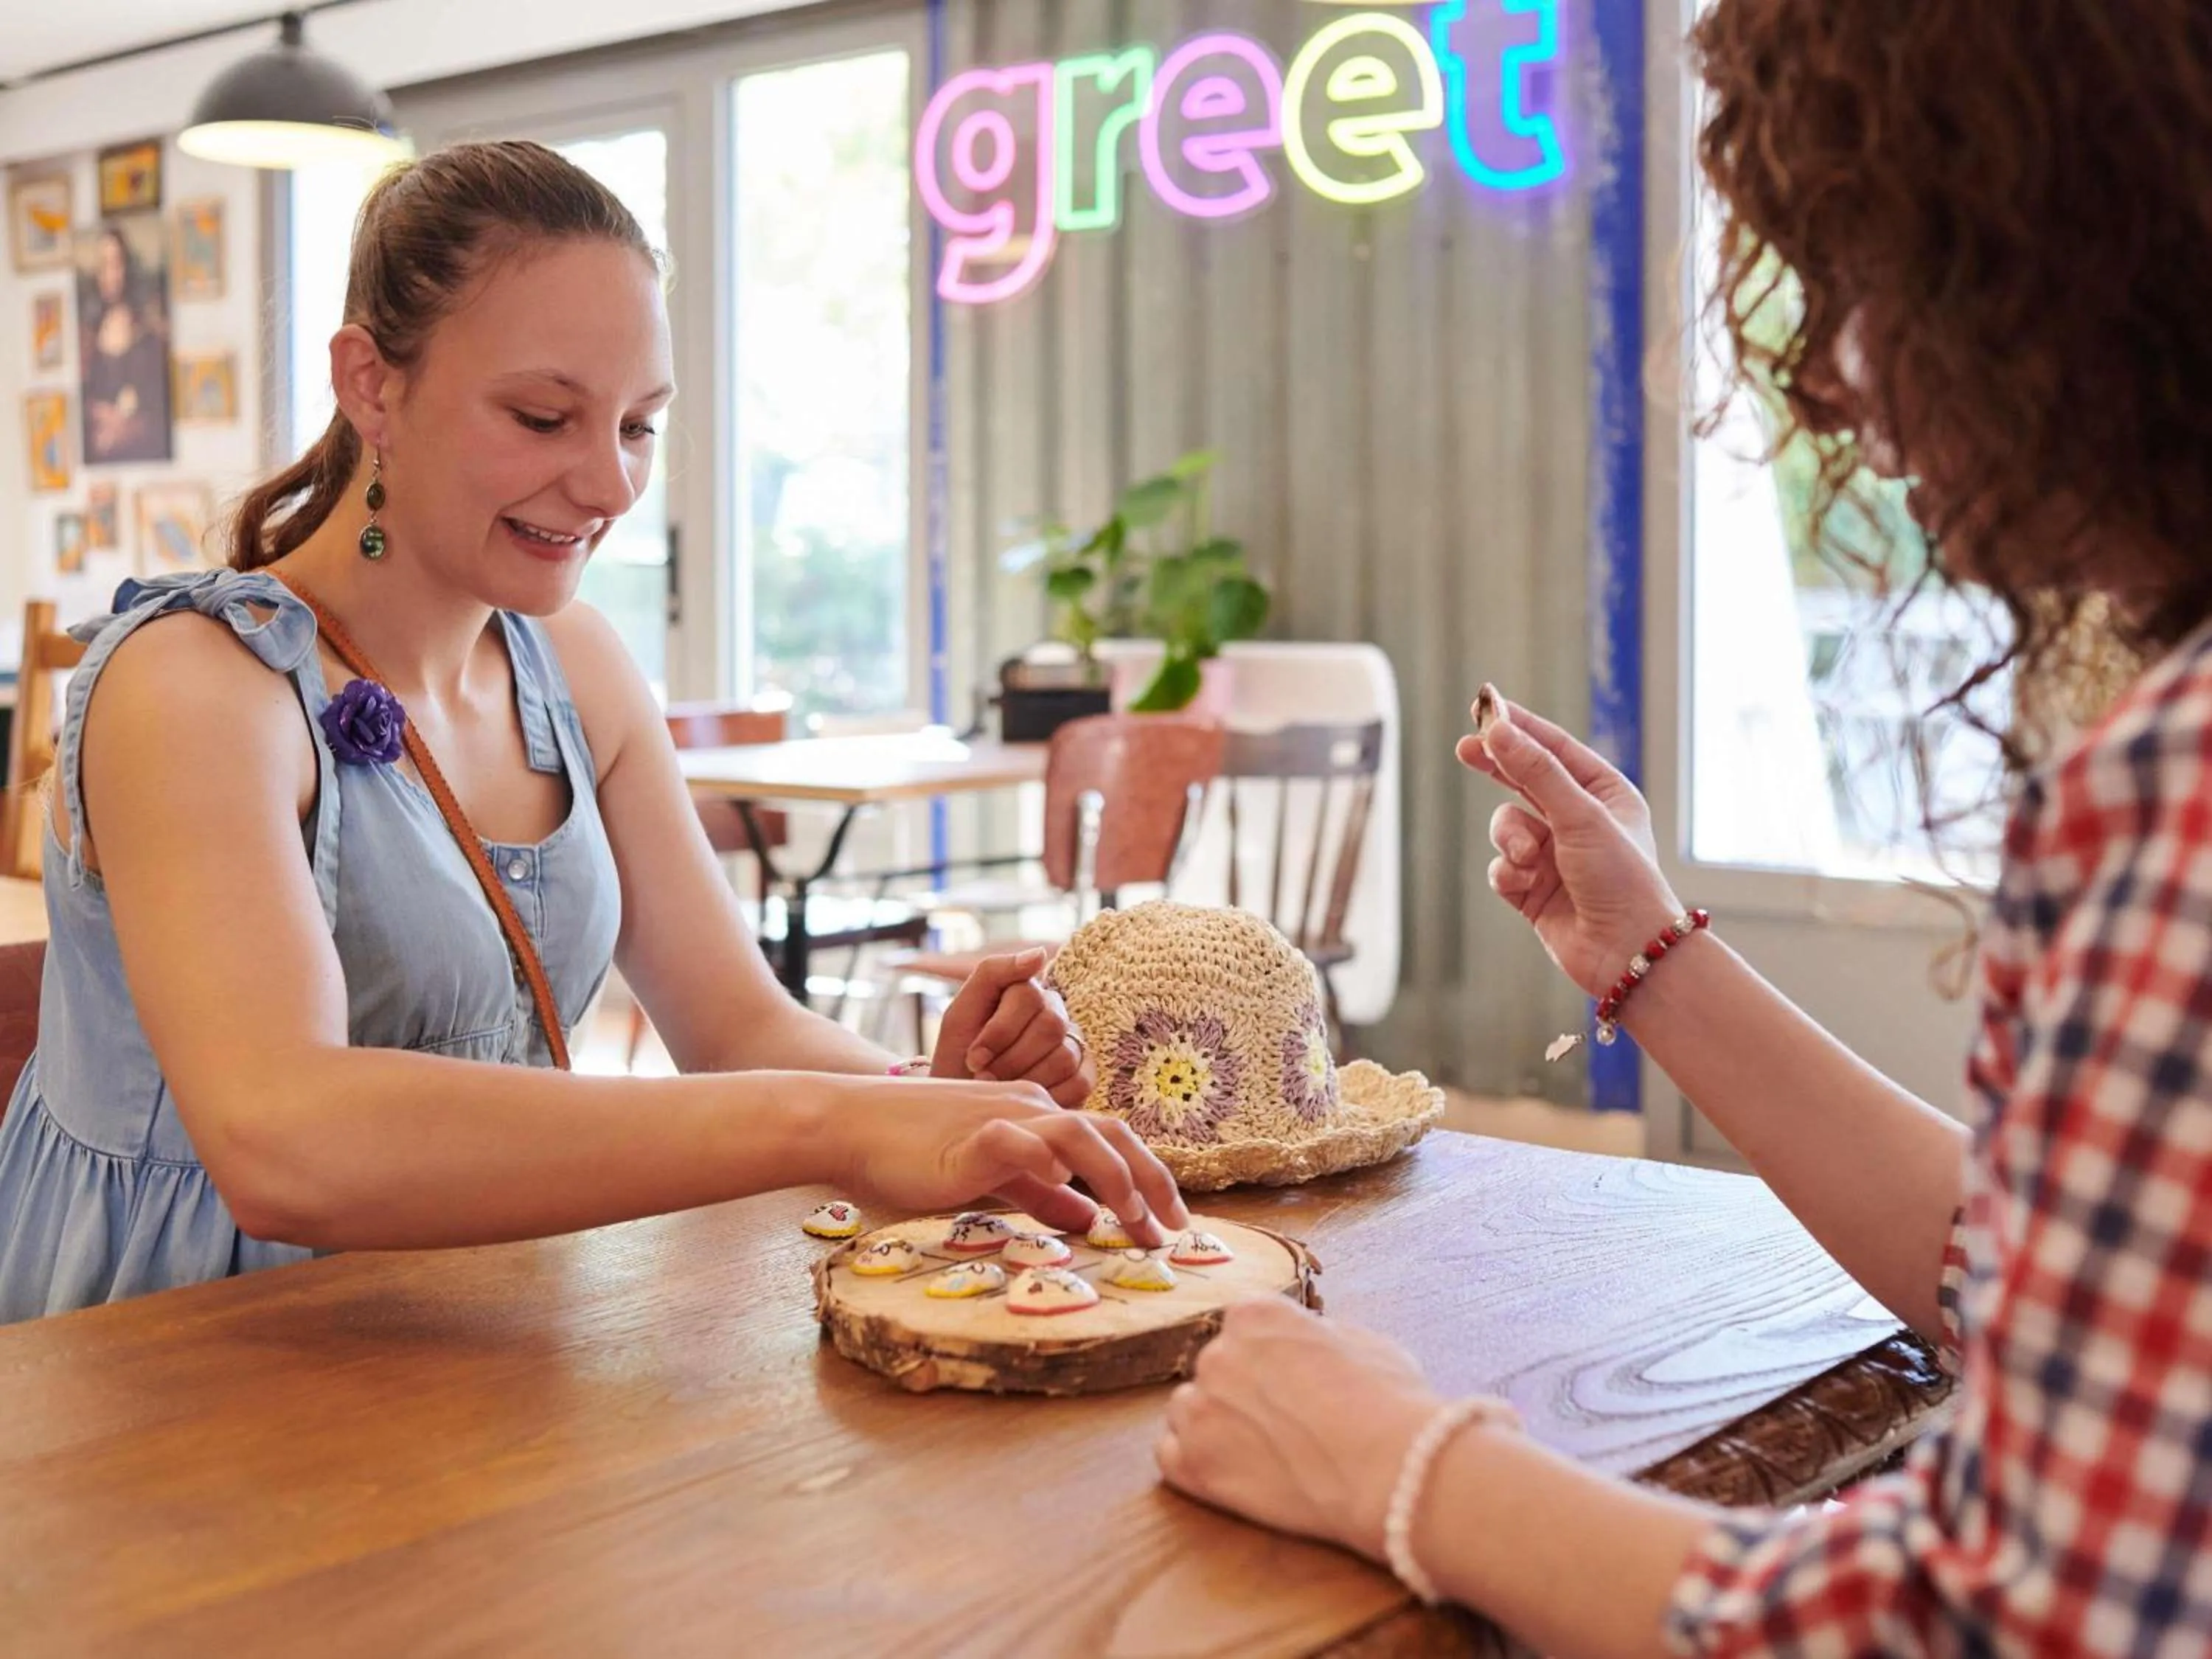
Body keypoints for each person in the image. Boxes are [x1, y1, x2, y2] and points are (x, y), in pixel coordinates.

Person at [1157, 1, 2211, 1651]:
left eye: (1865, 279)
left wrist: (1404, 1467)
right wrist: (1642, 954)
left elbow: (2010, 1620)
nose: (1840, 379)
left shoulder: (2176, 784)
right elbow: (2069, 1290)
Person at [0, 141, 1187, 1326]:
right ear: (371, 385)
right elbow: (283, 1139)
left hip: (476, 1315)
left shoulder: (573, 667)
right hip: (166, 1343)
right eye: (543, 416)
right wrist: (837, 1121)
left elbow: (736, 1024)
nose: (614, 488)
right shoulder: (196, 688)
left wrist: (935, 1102)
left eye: (638, 426)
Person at [77, 222, 173, 465]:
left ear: (128, 267)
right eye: (103, 266)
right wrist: (103, 415)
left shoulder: (149, 333)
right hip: (101, 449)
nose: (110, 275)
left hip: (140, 451)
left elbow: (156, 410)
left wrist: (125, 423)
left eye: (115, 264)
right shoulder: (87, 336)